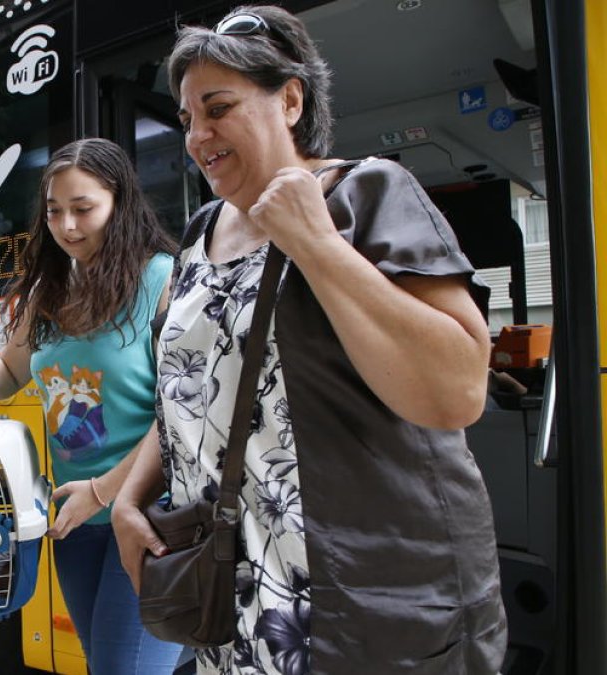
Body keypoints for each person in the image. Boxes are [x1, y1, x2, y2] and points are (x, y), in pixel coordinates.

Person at [110, 6, 507, 674]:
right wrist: (127, 496)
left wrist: (316, 244)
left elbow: (459, 391)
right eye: (186, 118)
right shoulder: (202, 232)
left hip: (363, 604)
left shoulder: (365, 194)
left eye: (218, 107)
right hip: (234, 598)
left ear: (290, 99)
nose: (198, 135)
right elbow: (196, 390)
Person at [0, 138, 185, 674]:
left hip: (148, 515)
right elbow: (10, 371)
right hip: (75, 523)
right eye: (54, 212)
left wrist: (102, 492)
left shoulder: (163, 281)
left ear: (120, 204)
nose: (67, 227)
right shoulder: (48, 292)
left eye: (83, 209)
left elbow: (182, 413)